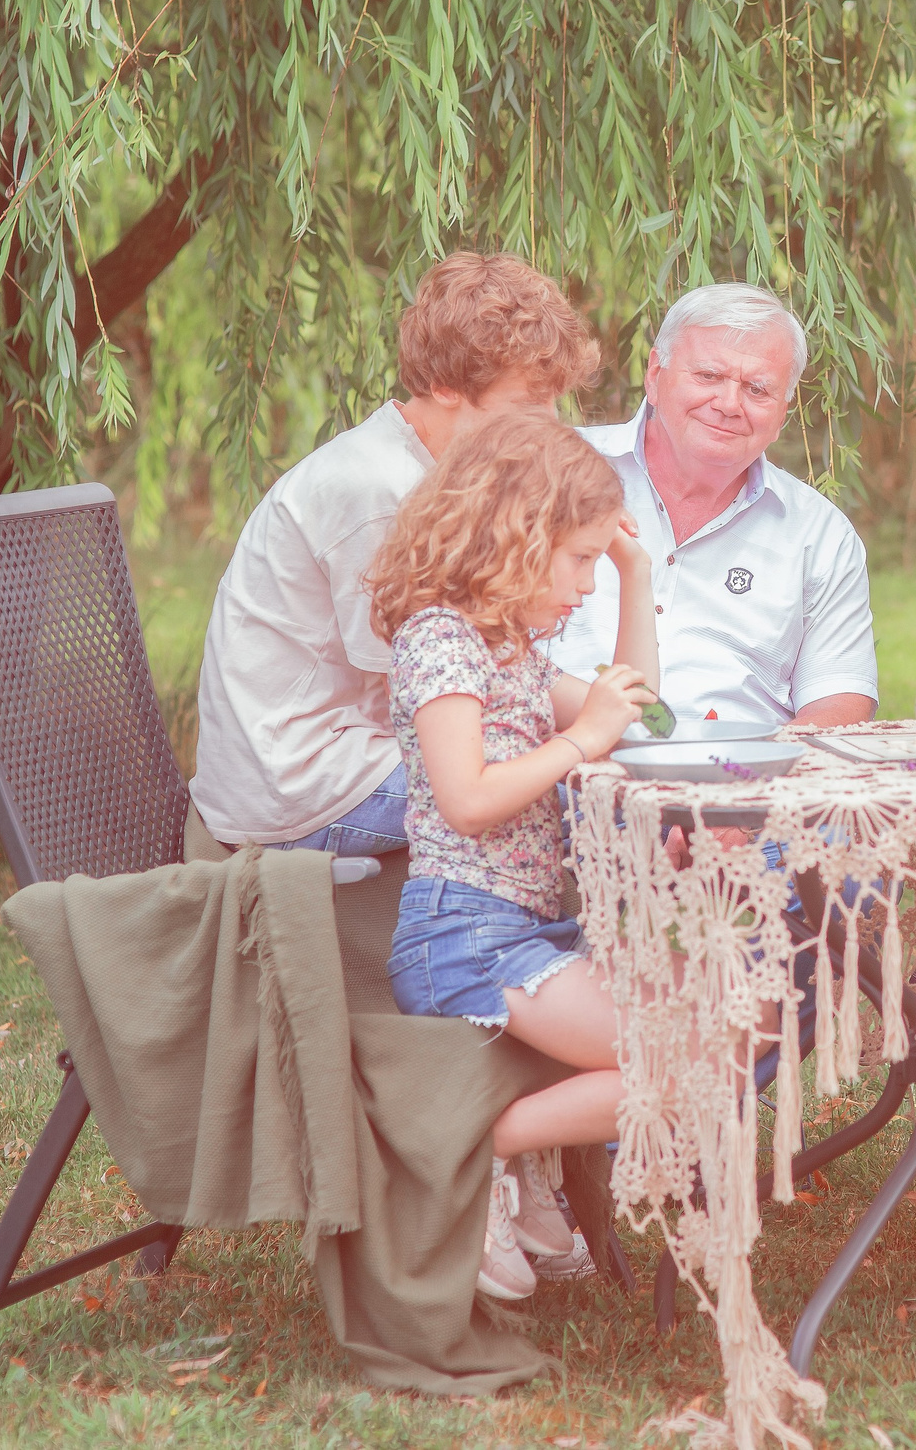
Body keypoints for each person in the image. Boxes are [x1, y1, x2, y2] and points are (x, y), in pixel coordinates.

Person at [367, 415, 662, 1300]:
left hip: (517, 926)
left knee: (682, 1054)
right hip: (463, 932)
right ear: (512, 542)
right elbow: (466, 795)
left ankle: (500, 1151)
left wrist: (634, 570)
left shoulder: (513, 650)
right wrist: (581, 743)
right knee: (669, 1060)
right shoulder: (440, 639)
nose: (583, 584)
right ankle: (477, 1146)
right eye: (577, 560)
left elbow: (630, 707)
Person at [190, 253, 597, 854]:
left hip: (360, 750)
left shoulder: (434, 471)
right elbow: (439, 687)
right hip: (307, 785)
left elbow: (499, 659)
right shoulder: (380, 493)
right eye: (525, 410)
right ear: (445, 386)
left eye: (553, 406)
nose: (549, 431)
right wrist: (592, 734)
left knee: (592, 773)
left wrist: (626, 722)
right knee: (581, 794)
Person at [546, 284, 876, 727]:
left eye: (757, 389)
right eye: (707, 377)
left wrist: (754, 773)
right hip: (552, 763)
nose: (728, 404)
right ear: (654, 374)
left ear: (783, 411)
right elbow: (478, 636)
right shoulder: (548, 471)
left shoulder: (819, 534)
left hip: (741, 778)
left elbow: (840, 698)